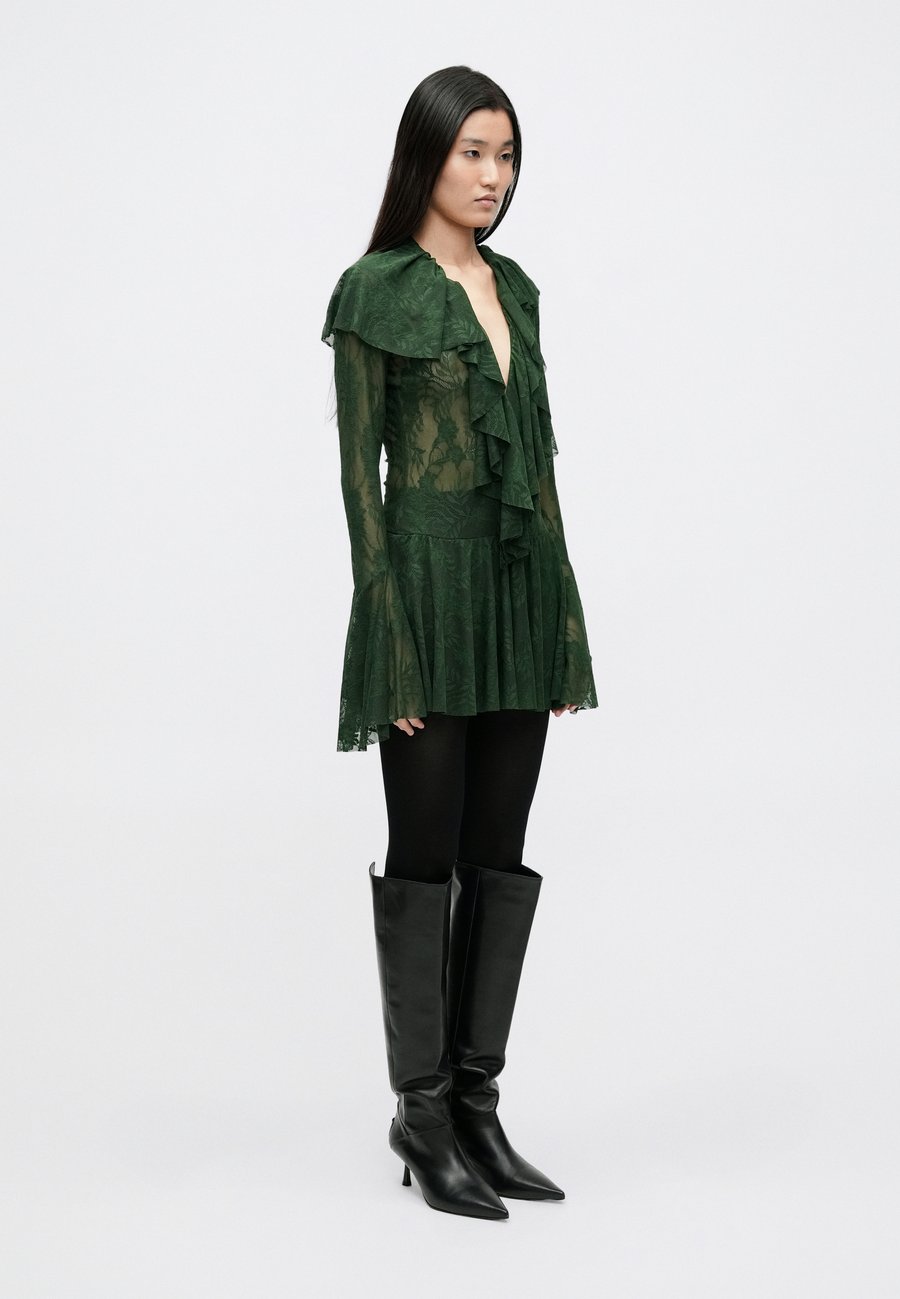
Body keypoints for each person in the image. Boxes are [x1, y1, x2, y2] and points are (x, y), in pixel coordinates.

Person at [321, 66, 598, 1220]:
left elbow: (538, 462)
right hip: (424, 596)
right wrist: (385, 633)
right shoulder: (373, 290)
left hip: (516, 596)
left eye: (507, 154)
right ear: (425, 157)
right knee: (425, 848)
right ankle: (422, 1116)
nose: (493, 176)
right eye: (472, 152)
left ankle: (478, 1109)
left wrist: (563, 623)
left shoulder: (515, 287)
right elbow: (361, 485)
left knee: (499, 850)